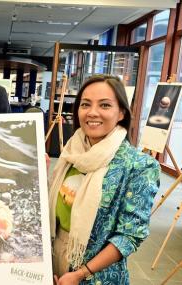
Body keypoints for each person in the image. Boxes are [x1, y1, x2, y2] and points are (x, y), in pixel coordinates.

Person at [49, 75, 160, 284]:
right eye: (85, 104)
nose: (92, 112)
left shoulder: (138, 166)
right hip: (55, 260)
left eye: (105, 105)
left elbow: (129, 237)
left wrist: (81, 274)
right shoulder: (72, 154)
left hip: (95, 274)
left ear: (121, 114)